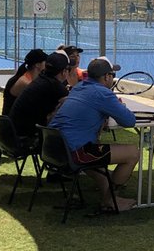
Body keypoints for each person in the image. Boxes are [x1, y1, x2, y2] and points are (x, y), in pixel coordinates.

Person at [50, 57, 138, 212]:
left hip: (54, 149)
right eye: (112, 75)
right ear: (107, 77)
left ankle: (108, 197)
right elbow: (129, 121)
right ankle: (110, 200)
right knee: (133, 153)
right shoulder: (103, 94)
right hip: (75, 152)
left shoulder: (78, 87)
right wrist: (117, 106)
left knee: (97, 151)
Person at [9, 51, 73, 139]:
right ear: (64, 72)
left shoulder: (40, 79)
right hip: (25, 136)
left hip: (12, 132)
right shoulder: (56, 87)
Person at [3, 48, 46, 116]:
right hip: (12, 120)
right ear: (37, 65)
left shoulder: (27, 77)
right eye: (45, 61)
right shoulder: (25, 82)